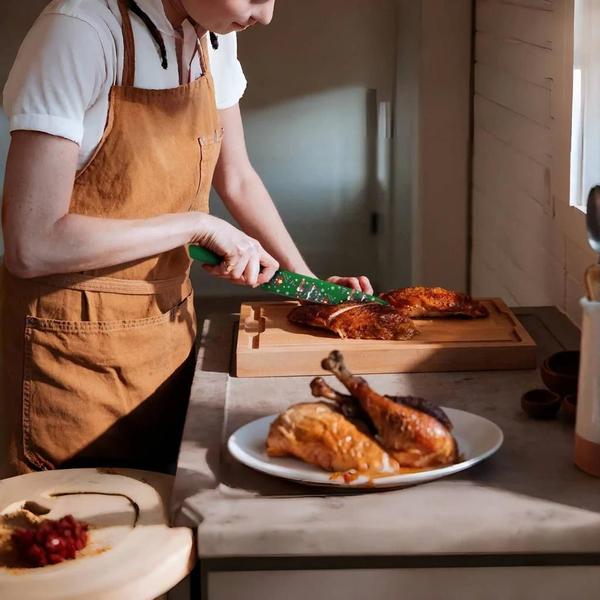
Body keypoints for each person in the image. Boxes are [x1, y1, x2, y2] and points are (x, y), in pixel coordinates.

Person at [0, 0, 373, 476]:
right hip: (69, 358)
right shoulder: (77, 33)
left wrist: (309, 289)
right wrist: (199, 225)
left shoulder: (212, 32)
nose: (266, 15)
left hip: (168, 337)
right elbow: (32, 245)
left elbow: (235, 177)